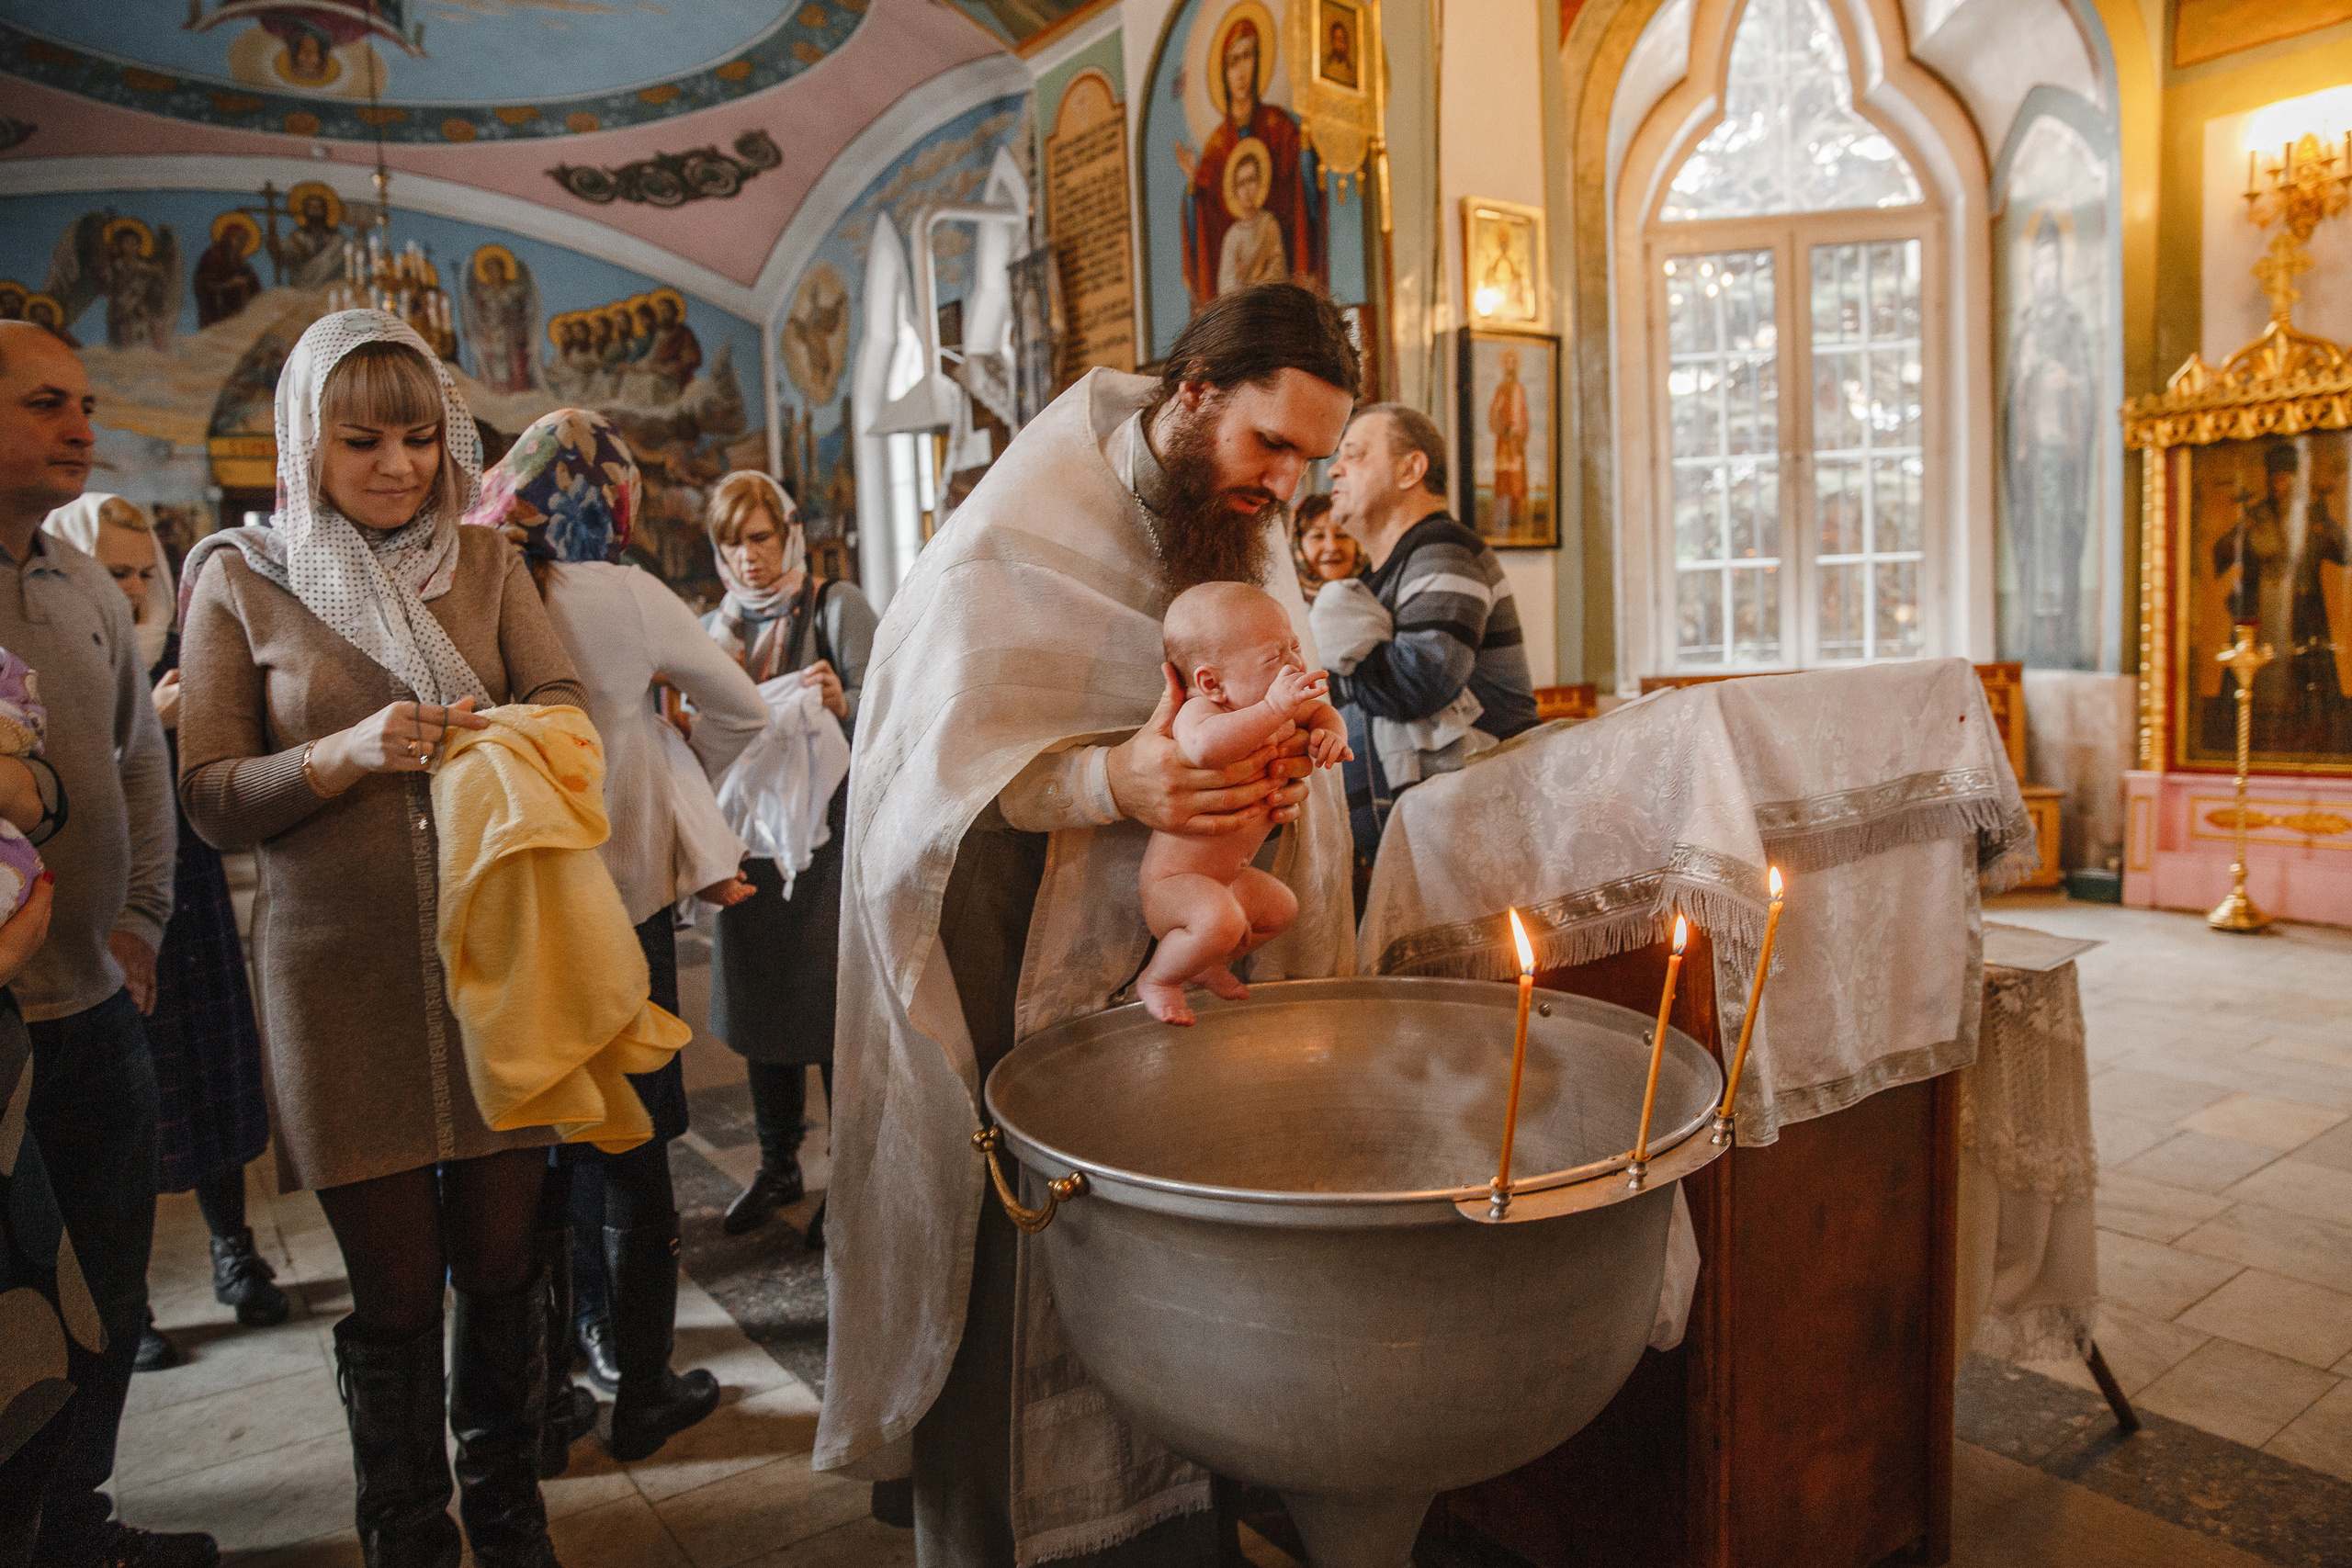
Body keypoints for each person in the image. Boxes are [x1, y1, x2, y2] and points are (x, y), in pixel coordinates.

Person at [813, 280, 1357, 1567]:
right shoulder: (1013, 535)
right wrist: (1112, 778)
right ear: (1194, 393)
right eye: (1269, 442)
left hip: (1185, 954)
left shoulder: (1239, 523)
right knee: (1028, 1263)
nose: (1286, 483)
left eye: (1312, 459)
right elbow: (920, 778)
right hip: (1015, 955)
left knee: (1183, 1242)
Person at [176, 310, 586, 1568]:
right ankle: (408, 1529)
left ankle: (511, 1516)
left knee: (503, 1257)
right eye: (363, 441)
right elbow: (208, 792)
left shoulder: (484, 563)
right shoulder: (243, 576)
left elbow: (567, 706)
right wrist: (344, 753)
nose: (400, 465)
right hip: (339, 977)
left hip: (499, 965)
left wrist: (507, 734)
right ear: (307, 440)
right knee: (399, 1289)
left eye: (419, 437)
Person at [463, 408, 766, 1463]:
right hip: (621, 911)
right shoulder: (623, 597)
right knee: (635, 1152)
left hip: (510, 916)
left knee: (530, 1160)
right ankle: (640, 1387)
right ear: (612, 498)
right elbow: (744, 709)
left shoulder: (466, 589)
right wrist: (681, 757)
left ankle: (542, 1403)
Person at [0, 321, 207, 1568]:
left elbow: (140, 760)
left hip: (93, 1001)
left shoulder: (80, 586)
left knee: (112, 1290)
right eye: (44, 404)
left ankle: (78, 1518)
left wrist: (140, 921)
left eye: (84, 401)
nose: (82, 425)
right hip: (0, 1026)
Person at [43, 496, 284, 1377]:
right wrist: (155, 718)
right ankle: (128, 1299)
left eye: (145, 572)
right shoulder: (54, 650)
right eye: (114, 574)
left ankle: (236, 1250)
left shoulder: (180, 645)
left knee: (210, 1071)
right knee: (126, 1100)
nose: (135, 589)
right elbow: (52, 778)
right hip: (94, 898)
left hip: (186, 886)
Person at [701, 470, 878, 1240]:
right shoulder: (718, 632)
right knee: (762, 1002)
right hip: (750, 845)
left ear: (789, 535)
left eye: (761, 537)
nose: (749, 558)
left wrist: (847, 703)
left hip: (829, 845)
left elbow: (899, 698)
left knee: (831, 1008)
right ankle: (778, 1165)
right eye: (732, 543)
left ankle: (854, 1176)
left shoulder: (834, 606)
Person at [1322, 401, 1538, 855]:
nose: (1333, 471)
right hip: (1425, 835)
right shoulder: (1385, 573)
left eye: (1355, 455)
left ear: (1410, 470)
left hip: (1477, 831)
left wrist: (1328, 673)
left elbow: (1418, 683)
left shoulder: (1442, 548)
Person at [1138, 582, 1348, 1025]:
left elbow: (1323, 714)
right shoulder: (1202, 713)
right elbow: (1205, 750)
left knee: (1281, 909)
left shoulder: (1278, 704)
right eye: (1274, 657)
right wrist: (1274, 709)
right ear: (1211, 683)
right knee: (1220, 921)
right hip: (1176, 884)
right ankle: (1159, 978)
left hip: (1227, 878)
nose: (1295, 662)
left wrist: (1332, 732)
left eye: (1293, 646)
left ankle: (1205, 962)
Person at [1215, 145, 1287, 296]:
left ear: (1259, 182)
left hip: (1267, 301)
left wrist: (1256, 288)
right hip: (1241, 308)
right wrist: (1240, 284)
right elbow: (1226, 285)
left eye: (1251, 180)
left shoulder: (1269, 224)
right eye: (1241, 183)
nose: (1247, 189)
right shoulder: (1232, 236)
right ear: (1235, 189)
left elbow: (1278, 268)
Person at [1289, 491, 1361, 602]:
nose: (1332, 547)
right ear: (1297, 545)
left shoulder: (1381, 598)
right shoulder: (1285, 604)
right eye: (1318, 536)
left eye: (1342, 535)